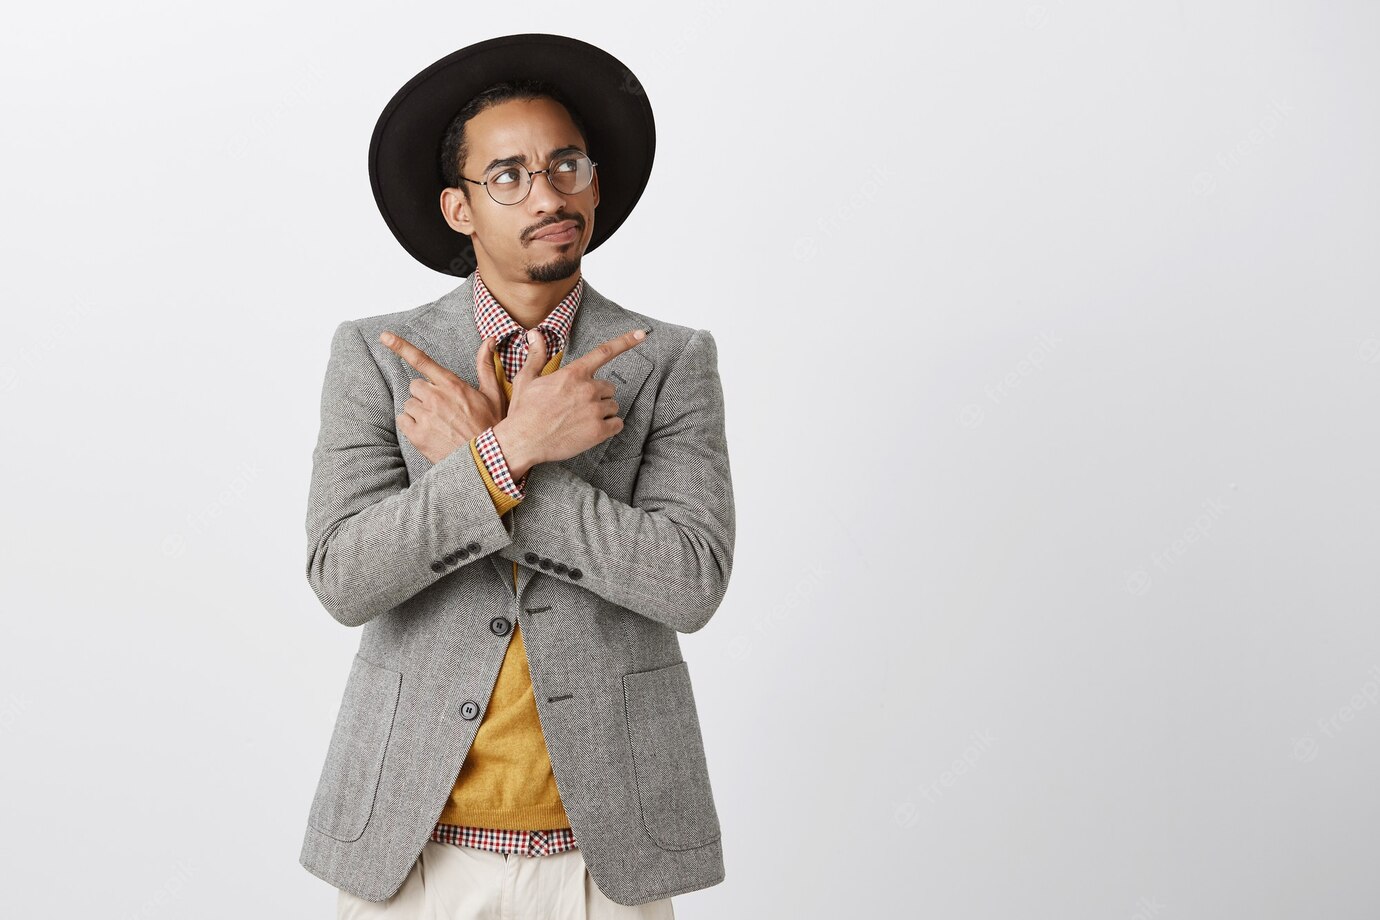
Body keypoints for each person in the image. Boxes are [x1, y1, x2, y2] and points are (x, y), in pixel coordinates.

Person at [298, 34, 736, 918]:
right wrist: (507, 454)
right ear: (458, 208)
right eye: (509, 176)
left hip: (606, 858)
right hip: (412, 852)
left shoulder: (672, 360)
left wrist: (500, 455)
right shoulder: (380, 358)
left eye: (566, 165)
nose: (549, 195)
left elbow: (690, 582)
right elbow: (344, 578)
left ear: (597, 182)